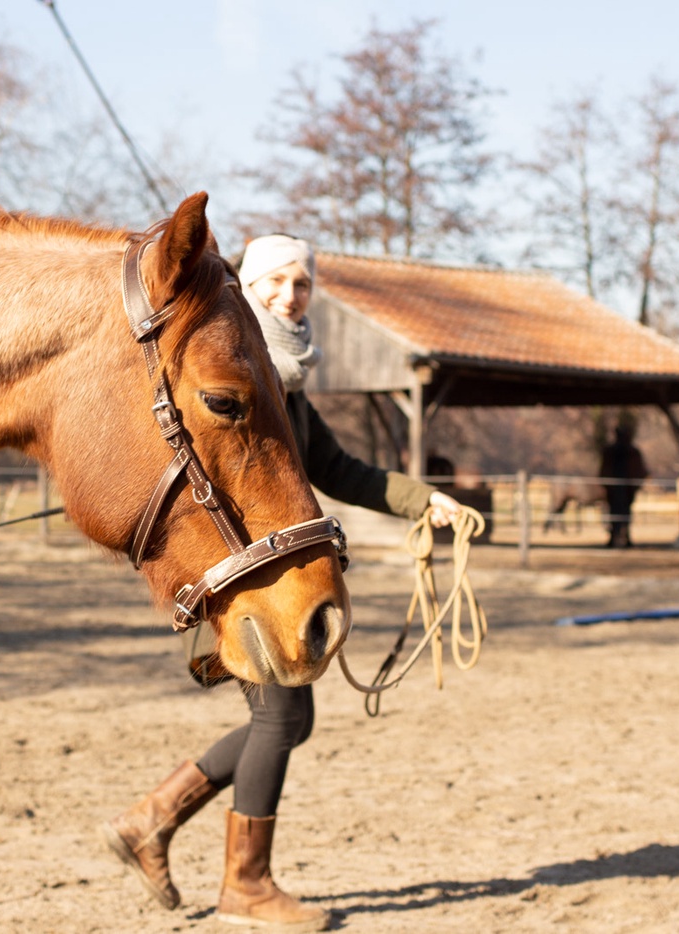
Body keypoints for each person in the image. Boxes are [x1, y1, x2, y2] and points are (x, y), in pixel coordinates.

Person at [101, 235, 463, 932]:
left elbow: (338, 467)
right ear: (252, 288)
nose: (292, 296)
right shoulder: (233, 369)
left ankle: (151, 821)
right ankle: (242, 883)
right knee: (281, 718)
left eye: (302, 285)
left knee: (287, 718)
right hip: (245, 583)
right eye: (278, 283)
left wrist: (425, 501)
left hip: (275, 578)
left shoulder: (282, 386)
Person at [598, 416, 648, 548]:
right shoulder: (613, 452)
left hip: (625, 489)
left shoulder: (631, 453)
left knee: (622, 512)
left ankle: (623, 536)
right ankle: (616, 536)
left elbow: (640, 472)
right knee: (617, 512)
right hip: (617, 489)